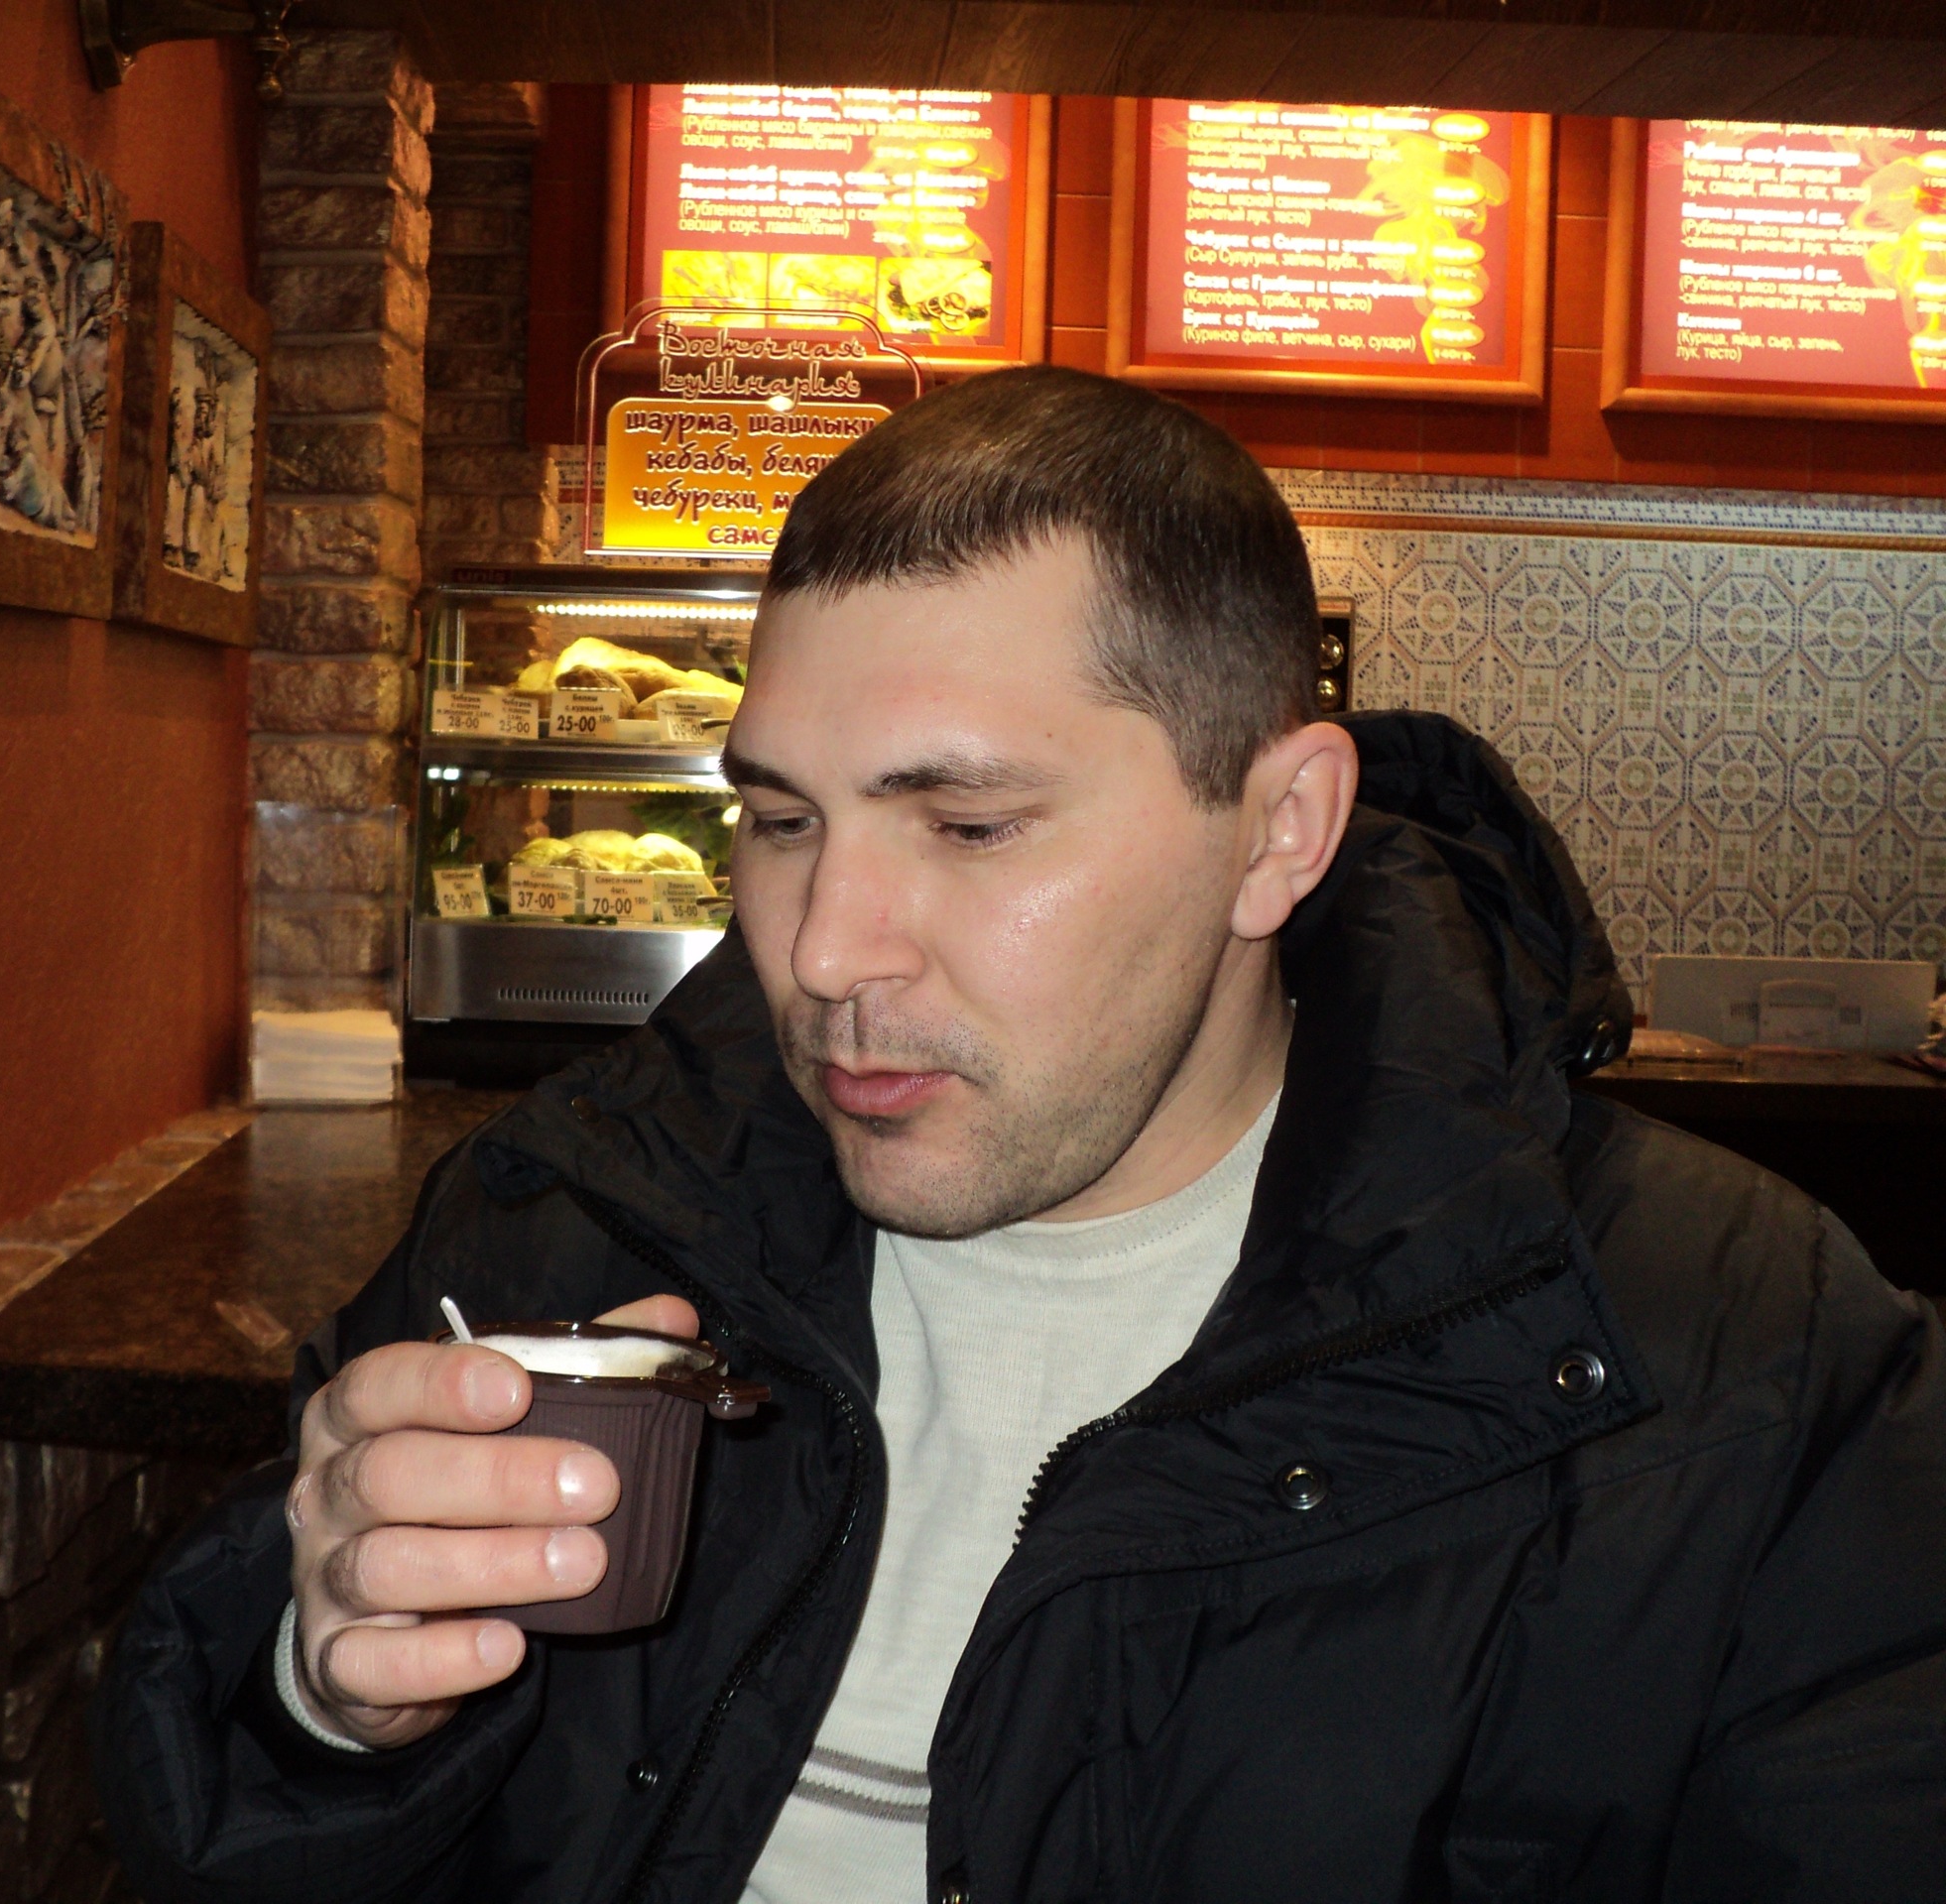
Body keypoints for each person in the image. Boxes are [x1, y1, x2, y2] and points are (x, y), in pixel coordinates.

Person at [94, 367, 1946, 1903]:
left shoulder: (1745, 1365)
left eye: (969, 827)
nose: (824, 952)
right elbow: (236, 1819)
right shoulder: (567, 1218)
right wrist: (324, 1708)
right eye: (782, 822)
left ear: (1280, 834)